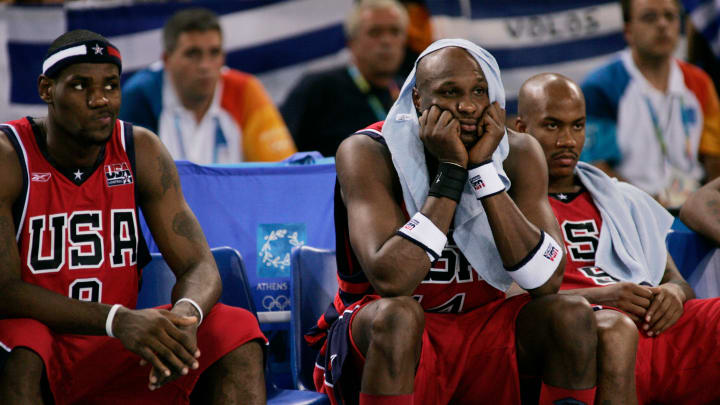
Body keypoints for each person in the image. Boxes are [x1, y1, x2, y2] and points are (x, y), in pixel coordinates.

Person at [306, 39, 602, 405]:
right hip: (387, 330)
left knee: (571, 315)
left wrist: (483, 171)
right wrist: (451, 171)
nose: (467, 106)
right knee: (399, 317)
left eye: (479, 91)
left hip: (483, 325)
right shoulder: (369, 151)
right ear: (417, 100)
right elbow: (392, 280)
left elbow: (547, 281)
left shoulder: (519, 152)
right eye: (449, 92)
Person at [0, 30, 267, 404]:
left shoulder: (140, 149)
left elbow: (200, 266)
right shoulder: (9, 157)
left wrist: (185, 318)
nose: (100, 100)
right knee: (22, 342)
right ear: (47, 89)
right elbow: (5, 291)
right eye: (80, 86)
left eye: (111, 85)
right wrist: (117, 318)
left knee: (233, 326)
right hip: (47, 347)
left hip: (117, 343)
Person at [517, 72, 720, 405]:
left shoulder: (619, 196)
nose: (568, 140)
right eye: (552, 126)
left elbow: (678, 282)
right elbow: (506, 300)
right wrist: (606, 295)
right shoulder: (508, 203)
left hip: (649, 324)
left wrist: (672, 293)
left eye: (577, 126)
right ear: (523, 130)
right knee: (614, 331)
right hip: (581, 332)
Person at [580, 0, 720, 208]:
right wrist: (648, 206)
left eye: (670, 16)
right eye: (649, 17)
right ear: (628, 30)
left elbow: (714, 160)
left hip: (694, 208)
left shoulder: (700, 82)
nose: (662, 25)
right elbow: (597, 169)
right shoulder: (601, 87)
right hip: (630, 210)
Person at [120, 8, 296, 164]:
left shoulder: (245, 90)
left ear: (224, 57)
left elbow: (282, 171)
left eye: (214, 53)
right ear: (167, 60)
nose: (205, 65)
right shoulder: (140, 95)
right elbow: (129, 179)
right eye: (192, 54)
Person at [280, 0, 408, 157]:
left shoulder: (411, 94)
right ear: (351, 43)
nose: (386, 41)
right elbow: (281, 155)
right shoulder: (318, 89)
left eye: (395, 32)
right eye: (375, 32)